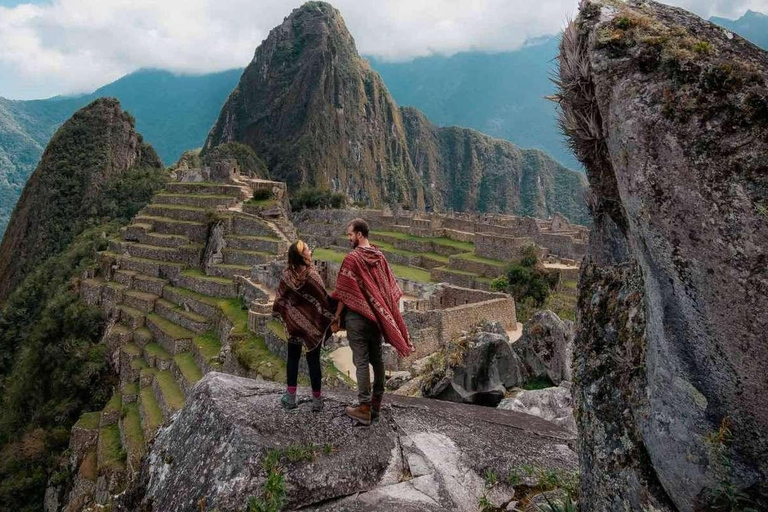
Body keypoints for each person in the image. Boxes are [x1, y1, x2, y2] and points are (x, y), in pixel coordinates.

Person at [331, 218, 414, 425]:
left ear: (359, 234)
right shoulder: (380, 258)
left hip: (356, 319)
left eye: (350, 235)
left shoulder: (352, 259)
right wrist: (381, 310)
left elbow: (342, 292)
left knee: (360, 362)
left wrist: (335, 317)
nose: (349, 238)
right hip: (376, 319)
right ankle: (376, 404)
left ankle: (364, 407)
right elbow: (390, 290)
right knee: (376, 360)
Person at [272, 240, 335, 412]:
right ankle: (316, 401)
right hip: (311, 326)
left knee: (292, 358)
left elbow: (280, 299)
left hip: (293, 325)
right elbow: (324, 300)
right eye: (307, 249)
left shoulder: (286, 275)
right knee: (313, 360)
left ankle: (291, 397)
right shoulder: (312, 275)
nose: (310, 251)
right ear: (302, 255)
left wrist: (289, 314)